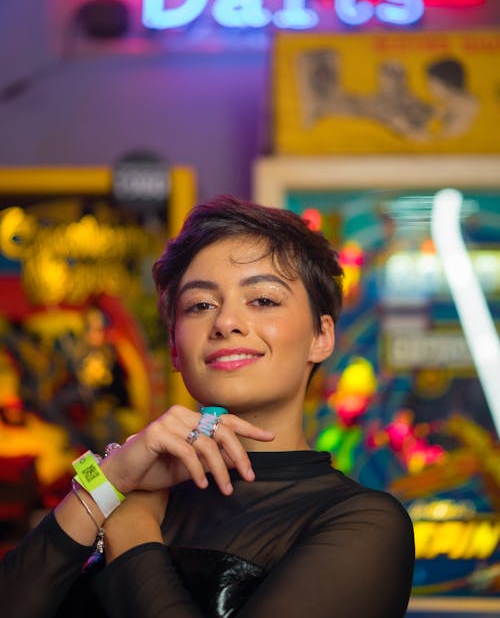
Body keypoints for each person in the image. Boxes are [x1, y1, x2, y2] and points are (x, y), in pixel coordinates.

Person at [0, 195, 415, 618]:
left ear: (320, 336)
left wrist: (132, 526)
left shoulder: (362, 522)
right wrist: (111, 478)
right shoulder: (132, 483)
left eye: (263, 300)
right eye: (200, 305)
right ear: (176, 350)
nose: (225, 322)